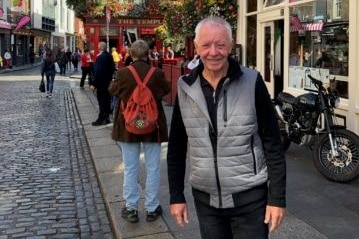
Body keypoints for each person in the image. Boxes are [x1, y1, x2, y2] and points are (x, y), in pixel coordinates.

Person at [166, 16, 286, 239]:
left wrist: (277, 198)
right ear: (196, 46)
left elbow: (272, 142)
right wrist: (176, 196)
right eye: (206, 45)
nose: (214, 52)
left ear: (231, 45)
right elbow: (176, 147)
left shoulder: (252, 82)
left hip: (250, 200)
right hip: (206, 202)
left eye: (221, 45)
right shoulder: (185, 87)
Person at [108, 39, 170, 223]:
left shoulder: (124, 73)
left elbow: (112, 90)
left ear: (131, 55)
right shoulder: (156, 74)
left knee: (130, 168)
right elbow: (165, 90)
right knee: (153, 168)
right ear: (148, 54)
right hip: (153, 127)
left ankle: (131, 208)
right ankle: (151, 207)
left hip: (128, 127)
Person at [90, 42, 114, 126]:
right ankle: (106, 118)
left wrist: (94, 84)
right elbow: (112, 69)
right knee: (107, 100)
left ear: (99, 47)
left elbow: (98, 72)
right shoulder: (109, 56)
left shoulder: (100, 57)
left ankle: (102, 118)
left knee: (101, 101)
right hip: (107, 82)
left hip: (101, 83)